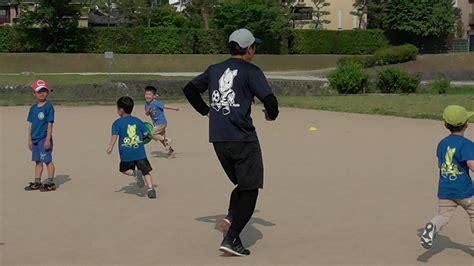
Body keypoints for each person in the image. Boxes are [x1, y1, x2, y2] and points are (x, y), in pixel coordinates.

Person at [183, 28, 279, 256]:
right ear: (249, 49)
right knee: (251, 188)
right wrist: (270, 115)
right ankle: (232, 237)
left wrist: (207, 111)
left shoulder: (214, 69)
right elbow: (271, 101)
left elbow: (189, 89)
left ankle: (231, 216)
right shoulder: (251, 71)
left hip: (218, 139)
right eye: (254, 46)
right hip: (243, 139)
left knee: (242, 185)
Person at [420, 105, 474, 249]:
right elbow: (472, 166)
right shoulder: (467, 145)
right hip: (464, 191)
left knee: (443, 215)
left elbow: (440, 164)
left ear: (445, 124)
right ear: (467, 124)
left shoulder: (442, 143)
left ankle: (432, 227)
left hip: (445, 190)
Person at [107, 96, 157, 199]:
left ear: (120, 110)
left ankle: (134, 173)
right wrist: (145, 135)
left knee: (124, 170)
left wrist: (110, 147)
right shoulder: (138, 121)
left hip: (126, 153)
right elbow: (145, 133)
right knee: (146, 172)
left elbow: (114, 136)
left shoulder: (117, 123)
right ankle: (151, 189)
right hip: (139, 152)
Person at [25, 80, 57, 192]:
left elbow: (50, 123)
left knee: (47, 160)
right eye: (39, 91)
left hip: (44, 138)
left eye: (44, 91)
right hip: (35, 139)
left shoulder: (48, 107)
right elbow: (30, 124)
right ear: (34, 93)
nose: (42, 93)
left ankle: (50, 182)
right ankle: (37, 181)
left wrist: (48, 139)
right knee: (38, 161)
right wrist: (29, 139)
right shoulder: (33, 108)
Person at [144, 86, 179, 156]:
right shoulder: (146, 104)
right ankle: (170, 149)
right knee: (160, 138)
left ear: (154, 96)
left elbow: (165, 106)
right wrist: (148, 109)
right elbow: (147, 114)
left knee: (153, 134)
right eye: (146, 94)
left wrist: (175, 108)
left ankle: (167, 140)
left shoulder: (156, 103)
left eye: (149, 94)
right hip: (156, 123)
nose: (147, 96)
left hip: (162, 122)